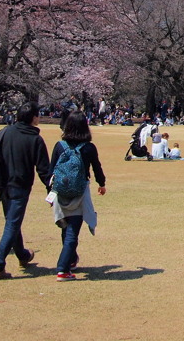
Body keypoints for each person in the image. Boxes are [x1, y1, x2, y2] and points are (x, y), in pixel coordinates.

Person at [0, 102, 52, 280]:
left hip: (3, 185)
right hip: (20, 187)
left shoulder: (5, 132)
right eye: (38, 115)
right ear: (33, 118)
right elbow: (44, 169)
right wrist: (51, 190)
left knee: (12, 222)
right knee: (12, 224)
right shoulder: (35, 139)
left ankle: (23, 255)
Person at [49, 112, 106, 282]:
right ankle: (63, 269)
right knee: (73, 230)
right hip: (79, 191)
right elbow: (97, 168)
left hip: (60, 191)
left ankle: (71, 260)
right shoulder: (88, 147)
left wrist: (49, 193)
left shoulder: (59, 146)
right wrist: (101, 184)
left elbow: (51, 171)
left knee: (65, 228)